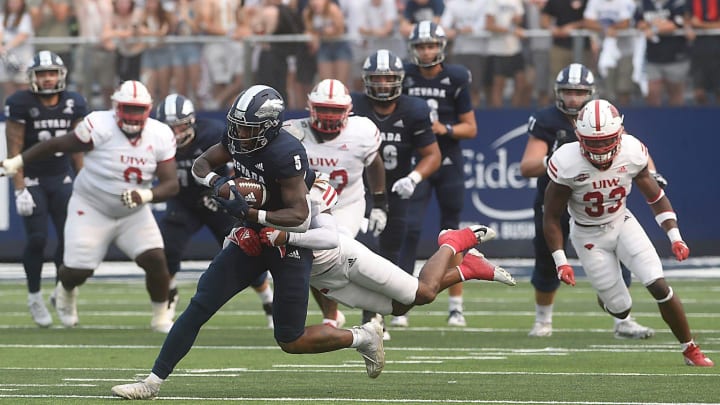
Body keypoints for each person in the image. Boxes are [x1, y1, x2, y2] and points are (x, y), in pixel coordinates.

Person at [109, 85, 385, 400]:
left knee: (290, 339)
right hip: (252, 234)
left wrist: (251, 213)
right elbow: (202, 166)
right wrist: (221, 186)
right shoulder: (236, 138)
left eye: (246, 127)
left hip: (288, 242)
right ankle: (153, 381)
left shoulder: (286, 151)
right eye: (237, 124)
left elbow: (299, 215)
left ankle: (361, 337)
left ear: (268, 128)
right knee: (200, 305)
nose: (238, 132)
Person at [543, 98, 713, 367]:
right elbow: (551, 216)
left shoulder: (632, 152)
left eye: (605, 140)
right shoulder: (567, 162)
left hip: (622, 221)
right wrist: (561, 261)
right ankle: (607, 292)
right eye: (593, 141)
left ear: (619, 133)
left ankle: (690, 348)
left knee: (658, 283)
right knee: (621, 308)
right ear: (579, 136)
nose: (600, 148)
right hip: (588, 236)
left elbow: (656, 197)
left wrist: (675, 237)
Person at [1, 79, 179, 333]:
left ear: (149, 109)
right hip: (92, 207)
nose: (132, 115)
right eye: (128, 108)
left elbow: (171, 184)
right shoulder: (100, 125)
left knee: (155, 259)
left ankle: (161, 317)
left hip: (133, 213)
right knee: (77, 271)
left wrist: (146, 196)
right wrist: (17, 161)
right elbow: (56, 145)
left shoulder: (160, 134)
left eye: (138, 109)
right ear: (116, 106)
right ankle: (64, 291)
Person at [520, 63, 658, 339]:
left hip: (599, 202)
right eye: (568, 92)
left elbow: (633, 149)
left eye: (579, 92)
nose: (573, 98)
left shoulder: (602, 116)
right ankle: (543, 320)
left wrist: (653, 175)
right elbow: (527, 166)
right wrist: (560, 160)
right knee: (549, 259)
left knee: (617, 257)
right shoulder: (547, 120)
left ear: (591, 93)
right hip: (558, 199)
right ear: (558, 92)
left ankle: (623, 320)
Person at [257, 178, 516, 322]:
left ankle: (455, 241)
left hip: (342, 257)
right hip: (324, 278)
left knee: (423, 292)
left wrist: (284, 236)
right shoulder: (254, 204)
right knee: (399, 307)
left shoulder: (305, 192)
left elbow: (328, 236)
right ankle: (468, 269)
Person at [154, 93, 275, 328]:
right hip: (181, 201)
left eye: (180, 126)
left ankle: (268, 299)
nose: (176, 133)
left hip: (217, 200)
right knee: (167, 250)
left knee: (245, 249)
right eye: (170, 128)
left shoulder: (212, 134)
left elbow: (236, 171)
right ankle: (168, 296)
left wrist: (220, 194)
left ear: (191, 122)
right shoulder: (155, 139)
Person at [351, 48, 441, 337]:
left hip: (396, 191)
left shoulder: (413, 109)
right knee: (364, 250)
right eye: (376, 78)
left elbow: (432, 155)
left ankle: (379, 316)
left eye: (389, 78)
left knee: (389, 255)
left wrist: (414, 177)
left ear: (400, 79)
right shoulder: (354, 107)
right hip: (358, 191)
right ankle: (344, 313)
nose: (382, 85)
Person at [285, 78, 387, 327]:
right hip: (309, 206)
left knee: (333, 253)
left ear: (348, 111)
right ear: (310, 107)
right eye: (323, 109)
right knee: (308, 262)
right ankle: (331, 316)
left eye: (335, 110)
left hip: (345, 203)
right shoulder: (292, 133)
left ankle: (372, 308)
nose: (329, 116)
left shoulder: (361, 131)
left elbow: (374, 164)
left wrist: (380, 203)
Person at [399, 21, 478, 327]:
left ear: (442, 47)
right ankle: (402, 300)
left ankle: (455, 305)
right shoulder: (404, 76)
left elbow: (471, 127)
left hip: (447, 159)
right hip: (417, 161)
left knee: (452, 235)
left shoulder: (455, 77)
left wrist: (443, 128)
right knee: (409, 230)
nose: (427, 51)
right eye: (421, 46)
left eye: (431, 45)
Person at [3, 50, 87, 327]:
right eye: (42, 73)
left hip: (61, 178)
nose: (48, 78)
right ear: (33, 77)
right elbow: (14, 149)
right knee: (37, 239)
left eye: (52, 73)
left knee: (69, 241)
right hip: (33, 180)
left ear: (61, 75)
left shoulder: (74, 102)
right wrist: (19, 188)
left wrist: (85, 185)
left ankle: (61, 294)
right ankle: (34, 296)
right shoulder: (20, 102)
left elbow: (77, 150)